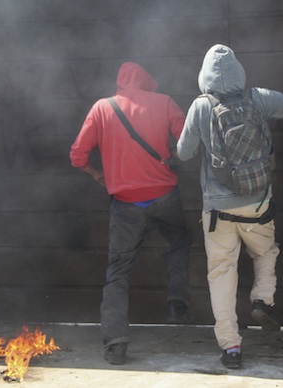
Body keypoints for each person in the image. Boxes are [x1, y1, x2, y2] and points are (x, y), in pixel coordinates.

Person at [176, 44, 283, 369]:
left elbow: (184, 152)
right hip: (258, 204)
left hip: (217, 213)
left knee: (221, 275)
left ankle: (231, 347)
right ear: (239, 71)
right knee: (266, 252)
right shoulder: (257, 98)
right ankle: (262, 299)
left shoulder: (201, 107)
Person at [70, 61, 192, 365]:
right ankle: (177, 304)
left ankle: (116, 343)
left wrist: (97, 174)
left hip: (125, 204)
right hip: (164, 197)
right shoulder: (164, 102)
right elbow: (189, 140)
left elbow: (77, 156)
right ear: (147, 81)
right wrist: (174, 156)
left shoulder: (102, 108)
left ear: (120, 83)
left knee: (118, 271)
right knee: (178, 241)